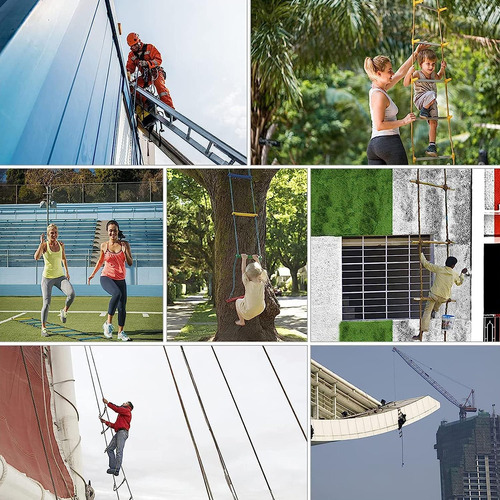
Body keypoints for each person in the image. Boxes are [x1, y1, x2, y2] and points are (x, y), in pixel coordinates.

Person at [364, 43, 429, 165]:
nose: (392, 73)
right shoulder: (379, 95)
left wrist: (415, 54)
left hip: (375, 147)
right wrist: (404, 121)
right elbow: (379, 125)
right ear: (378, 73)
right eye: (389, 71)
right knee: (402, 179)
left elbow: (400, 73)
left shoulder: (379, 89)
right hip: (388, 143)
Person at [88, 220, 133, 341]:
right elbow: (100, 262)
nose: (113, 232)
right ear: (107, 232)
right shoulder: (104, 245)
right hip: (106, 277)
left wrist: (125, 252)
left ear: (118, 231)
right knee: (116, 294)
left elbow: (130, 262)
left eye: (115, 230)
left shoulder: (125, 244)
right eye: (110, 230)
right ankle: (108, 324)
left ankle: (120, 332)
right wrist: (92, 274)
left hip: (120, 279)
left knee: (122, 307)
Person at [34, 223, 75, 337]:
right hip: (47, 278)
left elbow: (63, 258)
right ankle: (43, 328)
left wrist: (67, 271)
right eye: (52, 232)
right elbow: (36, 257)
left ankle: (64, 311)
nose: (54, 234)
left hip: (60, 277)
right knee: (46, 304)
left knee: (71, 294)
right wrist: (40, 244)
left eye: (55, 232)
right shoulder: (44, 245)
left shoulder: (61, 244)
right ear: (48, 234)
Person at [404, 49, 447, 157]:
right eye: (427, 64)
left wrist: (442, 69)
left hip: (431, 102)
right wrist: (410, 72)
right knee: (432, 94)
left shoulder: (433, 75)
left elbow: (439, 77)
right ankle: (423, 110)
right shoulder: (418, 74)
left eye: (433, 64)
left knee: (434, 122)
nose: (431, 67)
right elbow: (405, 83)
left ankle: (431, 145)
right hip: (420, 100)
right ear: (421, 64)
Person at [415, 252, 467, 339]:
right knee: (437, 304)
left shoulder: (439, 269)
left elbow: (426, 264)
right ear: (453, 265)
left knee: (427, 312)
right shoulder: (454, 274)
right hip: (444, 298)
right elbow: (459, 283)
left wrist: (421, 253)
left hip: (434, 295)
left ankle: (421, 333)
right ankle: (435, 310)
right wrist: (462, 273)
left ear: (445, 263)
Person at [126, 32, 174, 110]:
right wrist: (127, 72)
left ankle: (169, 108)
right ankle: (147, 102)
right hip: (145, 76)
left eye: (135, 45)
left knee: (159, 86)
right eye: (132, 46)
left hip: (155, 72)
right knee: (132, 86)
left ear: (139, 41)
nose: (134, 47)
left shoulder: (149, 48)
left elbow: (158, 59)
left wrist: (148, 63)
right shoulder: (132, 55)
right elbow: (130, 68)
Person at [100, 397, 133, 476]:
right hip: (119, 432)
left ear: (128, 405)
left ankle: (117, 470)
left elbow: (117, 409)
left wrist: (108, 403)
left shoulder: (127, 410)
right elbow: (115, 426)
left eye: (126, 402)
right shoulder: (122, 415)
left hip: (122, 432)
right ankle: (113, 467)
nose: (124, 403)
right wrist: (105, 422)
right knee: (109, 449)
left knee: (119, 451)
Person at [235, 254, 268, 326]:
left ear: (247, 275)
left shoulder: (247, 283)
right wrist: (257, 260)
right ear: (259, 274)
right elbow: (261, 271)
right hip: (261, 308)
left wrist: (244, 259)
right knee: (246, 300)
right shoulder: (262, 282)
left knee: (237, 301)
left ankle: (241, 321)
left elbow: (243, 271)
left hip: (248, 310)